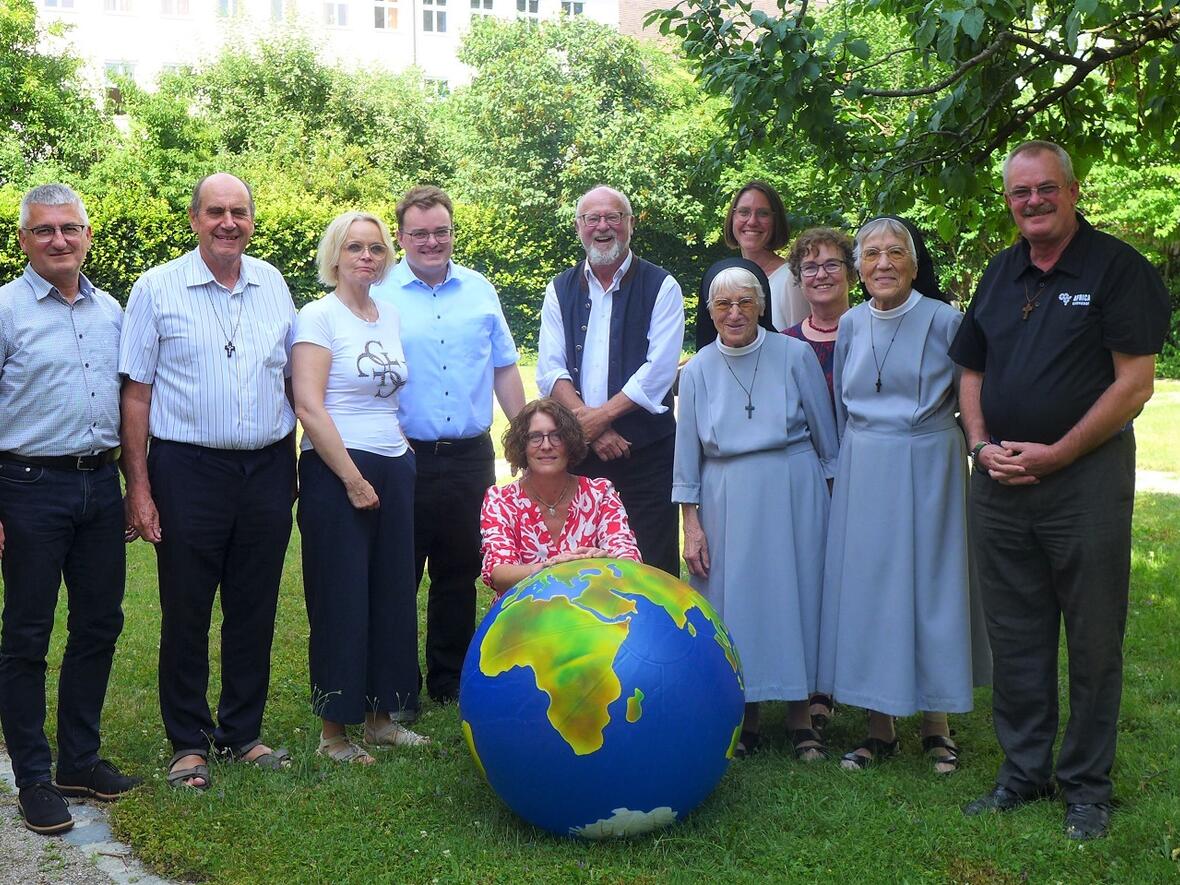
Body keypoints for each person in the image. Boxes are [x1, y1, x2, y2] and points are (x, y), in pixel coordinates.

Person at [951, 140, 1170, 840]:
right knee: (1015, 634)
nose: (1034, 202)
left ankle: (1086, 787)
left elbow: (1134, 383)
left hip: (1084, 480)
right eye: (1021, 192)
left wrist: (1057, 453)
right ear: (1009, 201)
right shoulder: (999, 270)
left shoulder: (1117, 269)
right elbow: (971, 370)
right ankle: (1023, 772)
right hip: (1001, 481)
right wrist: (982, 446)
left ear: (1073, 190)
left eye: (1047, 188)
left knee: (1095, 635)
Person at [120, 173, 297, 790]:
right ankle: (188, 743)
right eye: (216, 211)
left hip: (268, 467)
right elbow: (136, 395)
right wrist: (138, 487)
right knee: (187, 608)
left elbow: (294, 381)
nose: (229, 222)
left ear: (252, 220)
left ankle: (242, 733)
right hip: (187, 469)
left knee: (255, 605)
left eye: (240, 212)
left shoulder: (272, 283)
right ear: (194, 219)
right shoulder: (157, 287)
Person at [817, 216, 990, 774]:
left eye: (896, 253)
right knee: (871, 589)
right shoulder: (848, 324)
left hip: (930, 460)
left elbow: (970, 394)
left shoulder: (946, 320)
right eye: (871, 255)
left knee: (932, 586)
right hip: (866, 462)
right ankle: (878, 725)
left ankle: (937, 725)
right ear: (858, 269)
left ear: (915, 264)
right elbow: (844, 402)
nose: (884, 263)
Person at [0, 184, 141, 834]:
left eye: (70, 228)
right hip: (27, 485)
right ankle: (33, 775)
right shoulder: (5, 310)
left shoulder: (112, 310)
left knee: (98, 625)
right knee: (27, 635)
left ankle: (78, 760)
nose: (59, 239)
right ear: (24, 240)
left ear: (88, 234)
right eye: (44, 229)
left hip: (98, 486)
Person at [675, 266, 838, 759]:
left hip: (793, 484)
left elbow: (825, 436)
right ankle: (743, 716)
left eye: (745, 302)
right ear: (710, 313)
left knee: (797, 596)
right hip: (725, 491)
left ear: (762, 305)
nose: (735, 313)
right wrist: (691, 522)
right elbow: (687, 454)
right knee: (734, 600)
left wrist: (834, 503)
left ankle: (800, 716)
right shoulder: (699, 367)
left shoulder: (795, 354)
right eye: (723, 305)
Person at [371, 185, 525, 705]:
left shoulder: (480, 290)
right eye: (419, 233)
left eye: (441, 231)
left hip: (470, 455)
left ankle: (449, 679)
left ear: (452, 232)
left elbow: (504, 366)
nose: (431, 241)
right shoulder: (379, 295)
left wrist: (522, 435)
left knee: (460, 571)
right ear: (401, 236)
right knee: (398, 570)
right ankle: (395, 683)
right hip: (403, 454)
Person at [293, 212, 428, 765]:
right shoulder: (318, 316)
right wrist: (351, 478)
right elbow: (309, 404)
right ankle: (334, 733)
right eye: (355, 248)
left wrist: (402, 452)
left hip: (393, 464)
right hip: (337, 470)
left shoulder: (388, 314)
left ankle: (381, 718)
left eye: (376, 248)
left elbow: (388, 395)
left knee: (393, 592)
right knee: (342, 596)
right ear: (336, 256)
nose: (367, 257)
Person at [537, 185, 683, 576]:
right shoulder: (559, 288)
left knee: (652, 567)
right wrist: (592, 426)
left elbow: (659, 371)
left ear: (630, 224)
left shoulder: (662, 286)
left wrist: (595, 420)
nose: (603, 226)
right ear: (578, 227)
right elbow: (550, 370)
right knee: (584, 565)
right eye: (593, 218)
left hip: (648, 458)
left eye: (614, 217)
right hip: (581, 456)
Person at [480, 399, 641, 598]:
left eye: (556, 436)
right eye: (535, 437)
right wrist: (550, 568)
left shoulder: (600, 494)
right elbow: (498, 572)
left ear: (570, 442)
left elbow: (630, 560)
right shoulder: (500, 500)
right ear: (522, 445)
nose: (546, 445)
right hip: (522, 618)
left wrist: (605, 560)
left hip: (592, 614)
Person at [720, 180, 807, 334]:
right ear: (732, 218)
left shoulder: (791, 279)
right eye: (744, 212)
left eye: (763, 213)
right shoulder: (726, 279)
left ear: (776, 221)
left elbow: (802, 348)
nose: (752, 221)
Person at [783, 227, 857, 400]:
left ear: (850, 272)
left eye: (832, 265)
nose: (822, 275)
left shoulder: (872, 333)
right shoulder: (785, 345)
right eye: (810, 268)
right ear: (799, 278)